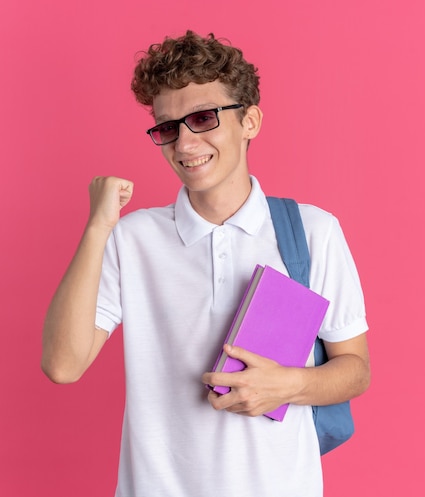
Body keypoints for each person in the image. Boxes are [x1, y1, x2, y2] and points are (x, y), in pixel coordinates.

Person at [41, 30, 370, 497]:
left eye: (202, 118)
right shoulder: (131, 238)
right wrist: (98, 227)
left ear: (249, 121)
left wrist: (287, 385)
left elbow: (355, 368)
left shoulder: (313, 231)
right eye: (168, 128)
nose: (184, 142)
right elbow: (62, 365)